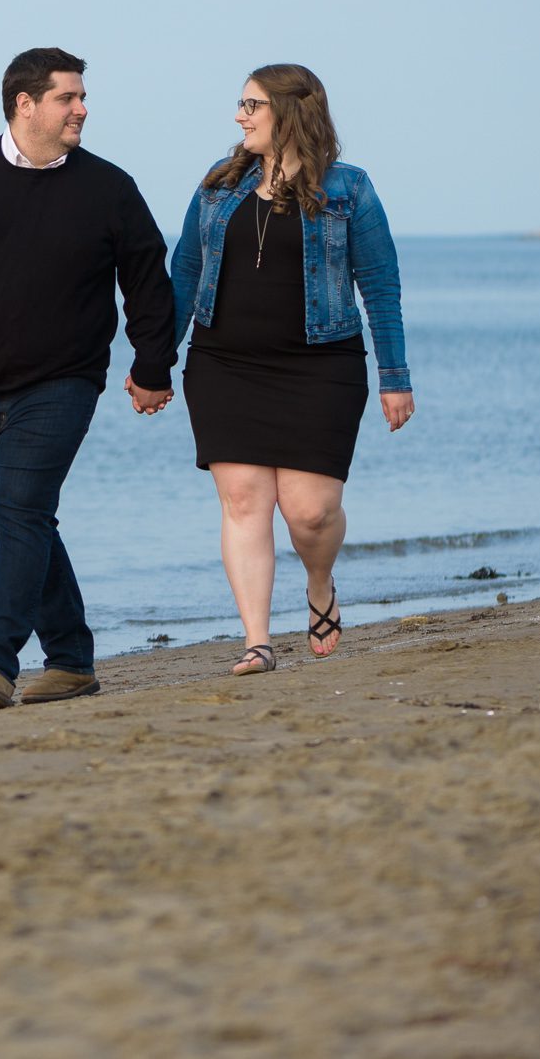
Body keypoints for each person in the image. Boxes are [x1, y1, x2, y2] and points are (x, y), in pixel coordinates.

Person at [0, 47, 177, 709]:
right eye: (67, 97)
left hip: (64, 382)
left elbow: (148, 285)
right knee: (27, 518)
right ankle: (72, 659)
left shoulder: (108, 187)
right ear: (26, 104)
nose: (81, 108)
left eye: (81, 97)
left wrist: (151, 365)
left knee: (19, 511)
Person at [168, 63, 415, 676]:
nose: (239, 116)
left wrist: (395, 376)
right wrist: (153, 362)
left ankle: (321, 583)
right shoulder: (219, 187)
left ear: (290, 112)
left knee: (310, 512)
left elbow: (380, 284)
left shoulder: (349, 189)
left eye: (251, 105)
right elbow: (184, 276)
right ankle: (257, 640)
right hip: (224, 363)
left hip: (321, 364)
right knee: (244, 500)